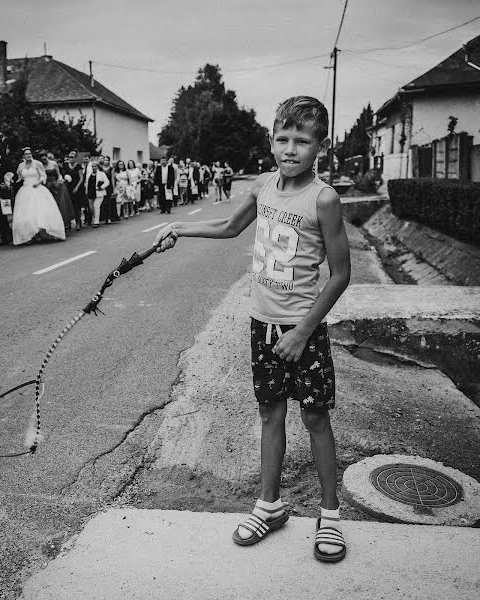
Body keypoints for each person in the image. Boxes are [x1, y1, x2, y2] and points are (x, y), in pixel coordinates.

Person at [154, 96, 351, 563]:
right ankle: (270, 505)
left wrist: (303, 331)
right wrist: (180, 227)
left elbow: (340, 275)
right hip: (262, 326)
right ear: (271, 140)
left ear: (319, 146)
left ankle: (330, 515)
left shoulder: (323, 199)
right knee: (270, 415)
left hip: (302, 331)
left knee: (316, 418)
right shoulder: (264, 186)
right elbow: (227, 227)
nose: (290, 148)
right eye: (282, 138)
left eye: (301, 141)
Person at [12, 147, 66, 245]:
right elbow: (19, 178)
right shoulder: (21, 166)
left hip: (37, 188)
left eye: (30, 154)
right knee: (27, 213)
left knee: (40, 211)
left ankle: (44, 232)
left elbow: (43, 175)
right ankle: (31, 234)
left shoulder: (37, 163)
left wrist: (39, 182)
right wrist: (11, 181)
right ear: (23, 156)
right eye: (26, 154)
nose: (29, 155)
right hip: (25, 190)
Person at [41, 152, 75, 231]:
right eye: (42, 160)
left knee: (60, 204)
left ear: (47, 157)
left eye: (45, 159)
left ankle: (64, 223)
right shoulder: (41, 166)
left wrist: (59, 179)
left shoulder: (54, 164)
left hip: (56, 184)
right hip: (47, 185)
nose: (44, 161)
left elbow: (59, 174)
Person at [64, 151, 86, 229]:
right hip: (69, 187)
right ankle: (69, 223)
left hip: (77, 188)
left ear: (75, 158)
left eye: (72, 157)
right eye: (70, 157)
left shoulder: (78, 166)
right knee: (69, 205)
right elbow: (65, 176)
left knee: (77, 206)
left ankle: (78, 222)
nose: (71, 158)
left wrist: (77, 187)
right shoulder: (66, 166)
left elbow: (81, 178)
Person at [86, 160, 110, 227]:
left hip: (99, 193)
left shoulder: (101, 174)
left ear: (98, 167)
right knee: (91, 208)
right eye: (92, 166)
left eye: (95, 166)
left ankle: (96, 221)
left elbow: (107, 182)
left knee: (96, 206)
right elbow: (87, 183)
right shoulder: (89, 174)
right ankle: (94, 217)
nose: (94, 167)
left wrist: (101, 187)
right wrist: (86, 191)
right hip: (91, 192)